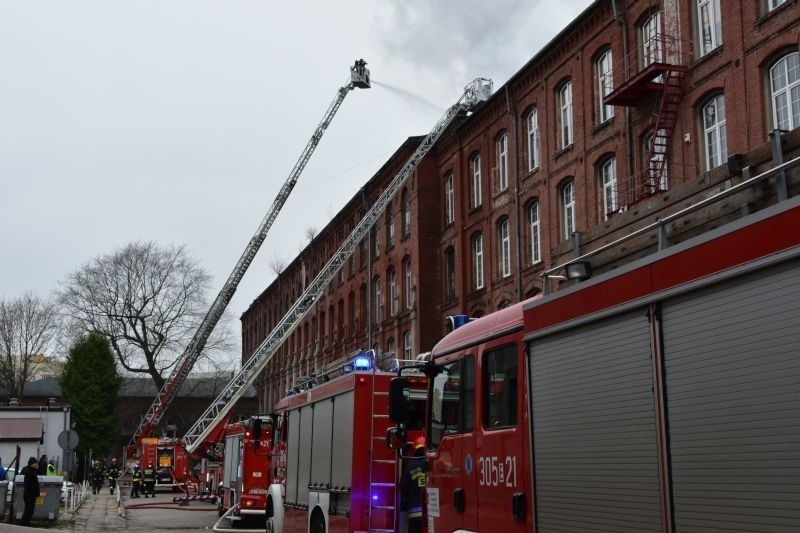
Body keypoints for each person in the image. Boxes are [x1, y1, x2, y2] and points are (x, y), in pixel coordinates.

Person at [400, 436, 426, 533]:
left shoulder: (409, 468)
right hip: (431, 516)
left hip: (414, 516)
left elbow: (403, 488)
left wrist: (404, 504)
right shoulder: (433, 465)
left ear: (415, 450)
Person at [19, 457, 40, 526]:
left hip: (31, 495)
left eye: (36, 463)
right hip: (29, 495)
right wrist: (33, 493)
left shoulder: (33, 471)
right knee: (28, 510)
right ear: (31, 464)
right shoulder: (29, 472)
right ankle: (25, 523)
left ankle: (26, 522)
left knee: (30, 510)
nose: (36, 464)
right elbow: (28, 485)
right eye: (35, 463)